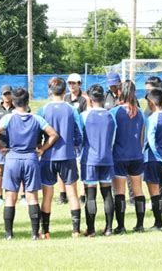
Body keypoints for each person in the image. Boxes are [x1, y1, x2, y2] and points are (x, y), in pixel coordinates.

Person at [0, 87, 58, 240]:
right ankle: (34, 234)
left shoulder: (8, 118)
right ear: (27, 102)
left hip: (12, 158)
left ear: (13, 102)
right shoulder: (36, 119)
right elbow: (53, 135)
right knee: (32, 197)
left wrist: (1, 147)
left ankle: (9, 234)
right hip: (31, 159)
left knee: (10, 197)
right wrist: (42, 149)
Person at [37, 77, 83, 238]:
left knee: (47, 195)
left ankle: (45, 230)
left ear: (50, 91)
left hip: (48, 157)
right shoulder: (71, 109)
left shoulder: (43, 110)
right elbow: (79, 132)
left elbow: (38, 131)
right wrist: (75, 144)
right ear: (65, 91)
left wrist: (40, 148)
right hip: (67, 155)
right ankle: (76, 230)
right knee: (72, 193)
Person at [109, 80, 146, 234]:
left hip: (119, 156)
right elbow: (142, 137)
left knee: (119, 191)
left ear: (119, 92)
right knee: (138, 190)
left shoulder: (115, 111)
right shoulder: (141, 112)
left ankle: (121, 226)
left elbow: (111, 136)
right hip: (137, 155)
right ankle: (140, 225)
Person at [81, 84, 116, 237]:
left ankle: (91, 229)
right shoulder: (111, 115)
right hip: (107, 158)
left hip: (90, 159)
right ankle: (109, 228)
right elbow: (113, 138)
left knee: (90, 195)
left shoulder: (84, 116)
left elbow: (80, 137)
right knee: (107, 193)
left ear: (89, 98)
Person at [143, 88, 162, 231]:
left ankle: (159, 223)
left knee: (154, 193)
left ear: (151, 102)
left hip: (153, 159)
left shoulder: (152, 119)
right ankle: (159, 222)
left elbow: (151, 141)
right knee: (159, 191)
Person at [64, 73, 89, 205]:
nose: (71, 86)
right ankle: (64, 195)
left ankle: (83, 194)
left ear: (79, 84)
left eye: (74, 83)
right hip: (68, 138)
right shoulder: (65, 98)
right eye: (70, 83)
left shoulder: (84, 99)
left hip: (81, 137)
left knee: (82, 164)